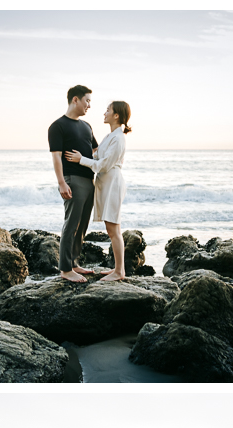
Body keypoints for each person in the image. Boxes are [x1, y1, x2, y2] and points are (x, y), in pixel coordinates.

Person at [65, 100, 132, 282]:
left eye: (108, 110)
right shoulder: (111, 136)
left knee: (113, 229)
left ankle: (119, 272)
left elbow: (103, 165)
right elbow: (97, 156)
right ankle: (117, 269)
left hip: (112, 184)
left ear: (116, 115)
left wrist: (80, 160)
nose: (104, 113)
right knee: (111, 227)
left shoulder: (118, 138)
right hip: (106, 184)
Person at [48, 84, 99, 283]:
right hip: (73, 180)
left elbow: (95, 150)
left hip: (89, 179)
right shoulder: (58, 126)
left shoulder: (86, 126)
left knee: (82, 224)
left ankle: (74, 262)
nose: (89, 105)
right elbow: (56, 157)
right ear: (75, 99)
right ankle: (65, 269)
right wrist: (61, 182)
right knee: (71, 223)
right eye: (87, 101)